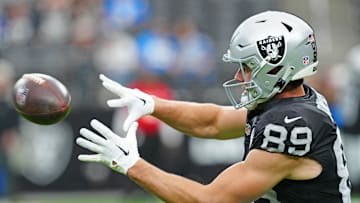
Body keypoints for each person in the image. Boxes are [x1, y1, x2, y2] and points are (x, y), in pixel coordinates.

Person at [76, 11, 352, 202]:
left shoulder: (292, 126)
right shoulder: (289, 102)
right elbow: (214, 122)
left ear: (277, 67)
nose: (239, 77)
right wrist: (151, 103)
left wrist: (131, 164)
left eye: (246, 67)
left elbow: (210, 200)